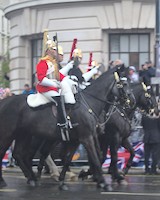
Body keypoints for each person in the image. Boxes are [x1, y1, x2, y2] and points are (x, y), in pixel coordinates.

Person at [36, 39, 76, 129]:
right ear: (48, 50)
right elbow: (41, 79)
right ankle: (62, 122)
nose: (56, 52)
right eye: (54, 50)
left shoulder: (53, 63)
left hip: (53, 88)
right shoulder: (43, 62)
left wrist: (71, 82)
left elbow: (60, 76)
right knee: (59, 99)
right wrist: (54, 84)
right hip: (45, 89)